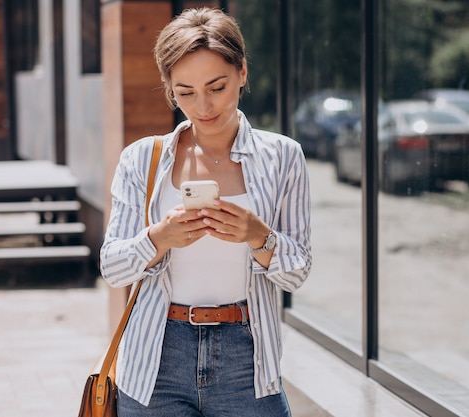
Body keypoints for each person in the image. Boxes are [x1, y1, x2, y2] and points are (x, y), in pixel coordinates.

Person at [100, 7, 312, 417]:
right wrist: (159, 239)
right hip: (156, 357)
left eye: (217, 86)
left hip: (247, 360)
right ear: (169, 89)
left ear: (243, 73)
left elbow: (297, 272)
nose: (203, 106)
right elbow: (113, 268)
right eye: (185, 92)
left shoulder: (284, 156)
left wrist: (257, 236)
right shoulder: (142, 159)